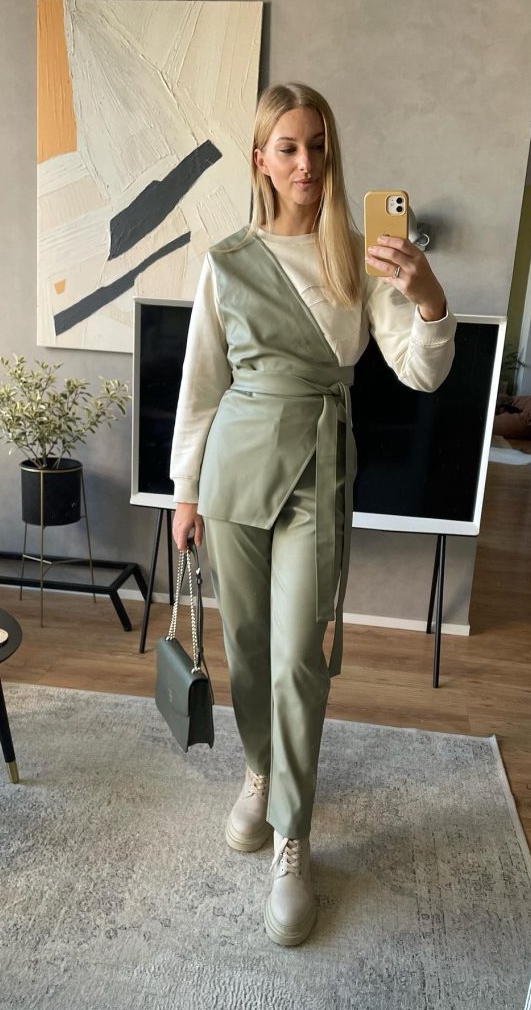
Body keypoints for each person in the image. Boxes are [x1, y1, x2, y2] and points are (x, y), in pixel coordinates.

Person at [170, 81, 456, 946]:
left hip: (318, 473)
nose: (306, 163)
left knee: (299, 656)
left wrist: (428, 297)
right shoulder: (225, 261)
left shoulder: (358, 260)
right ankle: (259, 773)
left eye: (318, 146)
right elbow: (201, 385)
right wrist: (184, 491)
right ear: (260, 158)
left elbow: (421, 372)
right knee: (247, 647)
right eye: (288, 147)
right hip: (233, 474)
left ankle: (292, 836)